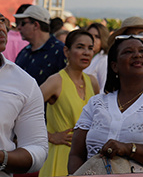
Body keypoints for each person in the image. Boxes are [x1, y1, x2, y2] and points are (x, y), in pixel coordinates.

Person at [68, 34, 143, 173]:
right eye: (128, 52)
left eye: (142, 51)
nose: (137, 55)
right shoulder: (96, 104)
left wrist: (130, 149)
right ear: (115, 66)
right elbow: (76, 154)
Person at [0, 0, 48, 177]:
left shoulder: (24, 84)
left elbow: (37, 149)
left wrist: (1, 158)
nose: (0, 27)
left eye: (1, 20)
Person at [39, 30, 99, 177]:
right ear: (66, 51)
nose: (86, 52)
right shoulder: (55, 81)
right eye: (80, 47)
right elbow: (23, 112)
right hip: (59, 157)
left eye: (90, 48)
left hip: (87, 160)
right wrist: (50, 136)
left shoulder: (92, 81)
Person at [14, 5, 66, 85]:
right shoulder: (24, 52)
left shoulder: (60, 51)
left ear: (35, 25)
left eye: (23, 23)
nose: (19, 28)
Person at [84, 22, 110, 93]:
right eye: (90, 35)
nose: (92, 39)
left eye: (97, 37)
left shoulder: (104, 60)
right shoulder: (83, 56)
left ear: (103, 39)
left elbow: (104, 89)